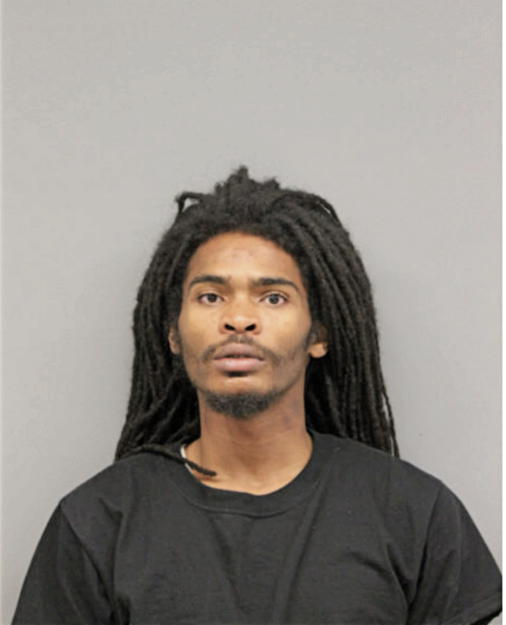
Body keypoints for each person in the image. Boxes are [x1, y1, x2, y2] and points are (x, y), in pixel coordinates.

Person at [13, 167, 501, 625]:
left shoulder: (415, 513)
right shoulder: (99, 521)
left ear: (318, 334)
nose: (239, 319)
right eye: (210, 296)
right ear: (173, 334)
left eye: (273, 297)